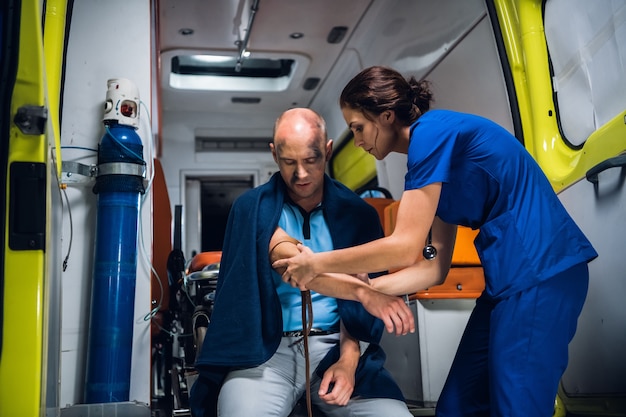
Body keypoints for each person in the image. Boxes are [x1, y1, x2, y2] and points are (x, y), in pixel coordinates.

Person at [274, 66, 598, 417]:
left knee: (518, 406)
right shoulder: (426, 168)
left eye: (358, 128)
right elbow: (433, 267)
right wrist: (367, 290)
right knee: (456, 407)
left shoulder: (431, 134)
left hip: (542, 272)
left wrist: (316, 263)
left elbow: (404, 247)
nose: (359, 140)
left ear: (385, 116)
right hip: (506, 285)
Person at [189, 107, 414, 417]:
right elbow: (292, 263)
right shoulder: (251, 208)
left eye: (311, 160)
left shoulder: (359, 215)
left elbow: (361, 313)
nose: (301, 174)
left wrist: (348, 362)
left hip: (339, 347)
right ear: (273, 154)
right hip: (265, 353)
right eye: (289, 162)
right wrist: (363, 291)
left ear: (328, 150)